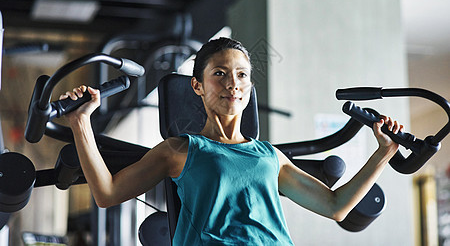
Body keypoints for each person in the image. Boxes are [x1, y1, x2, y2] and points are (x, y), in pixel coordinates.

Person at [61, 37, 403, 245]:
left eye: (241, 75)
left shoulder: (270, 156)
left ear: (250, 87)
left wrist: (383, 152)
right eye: (219, 74)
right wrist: (80, 122)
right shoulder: (181, 150)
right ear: (198, 85)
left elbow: (335, 207)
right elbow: (107, 194)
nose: (233, 84)